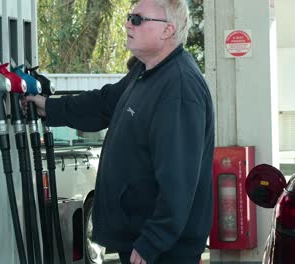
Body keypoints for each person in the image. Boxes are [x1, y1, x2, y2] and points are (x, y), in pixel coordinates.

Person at [26, 0, 214, 263]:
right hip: (140, 239)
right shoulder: (146, 72)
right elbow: (104, 103)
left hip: (163, 252)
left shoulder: (178, 88)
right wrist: (49, 107)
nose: (128, 23)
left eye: (138, 19)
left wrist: (152, 242)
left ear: (168, 30)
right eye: (129, 17)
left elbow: (179, 179)